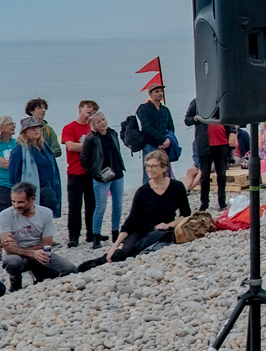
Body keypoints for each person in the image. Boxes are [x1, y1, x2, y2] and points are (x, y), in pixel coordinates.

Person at [88, 151, 193, 267]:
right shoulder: (142, 191)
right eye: (147, 166)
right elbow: (131, 221)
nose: (149, 169)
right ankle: (96, 262)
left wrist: (170, 225)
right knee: (125, 253)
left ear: (164, 168)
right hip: (141, 229)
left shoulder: (177, 187)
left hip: (162, 230)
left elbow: (186, 214)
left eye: (154, 166)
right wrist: (115, 245)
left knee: (150, 248)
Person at [0, 182, 76, 289]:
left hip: (39, 254)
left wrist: (18, 248)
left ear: (32, 199)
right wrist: (32, 252)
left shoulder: (45, 213)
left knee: (70, 269)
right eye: (13, 201)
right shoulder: (5, 215)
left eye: (21, 202)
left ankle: (40, 276)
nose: (16, 205)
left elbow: (47, 244)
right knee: (13, 261)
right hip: (18, 256)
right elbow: (8, 249)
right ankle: (15, 286)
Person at [80, 111, 125, 247]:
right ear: (94, 125)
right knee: (100, 207)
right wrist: (93, 172)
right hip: (101, 177)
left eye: (103, 120)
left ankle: (115, 231)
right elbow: (84, 158)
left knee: (118, 206)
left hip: (117, 173)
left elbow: (117, 151)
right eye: (99, 122)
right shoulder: (91, 138)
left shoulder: (112, 133)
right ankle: (96, 235)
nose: (103, 123)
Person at [184, 97, 235, 212]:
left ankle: (222, 202)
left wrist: (232, 132)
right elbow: (187, 120)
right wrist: (196, 118)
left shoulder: (222, 101)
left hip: (222, 143)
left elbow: (229, 118)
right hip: (204, 143)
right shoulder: (197, 102)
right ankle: (204, 203)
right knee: (204, 175)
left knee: (221, 174)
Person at [8, 116, 63, 221]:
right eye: (31, 128)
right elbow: (14, 176)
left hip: (48, 188)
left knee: (47, 218)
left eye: (37, 127)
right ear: (24, 132)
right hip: (31, 191)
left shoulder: (44, 146)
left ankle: (46, 237)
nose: (36, 130)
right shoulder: (19, 150)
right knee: (33, 219)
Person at [60, 100, 98, 248]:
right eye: (88, 107)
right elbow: (71, 146)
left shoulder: (93, 128)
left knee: (92, 205)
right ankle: (74, 236)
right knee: (74, 206)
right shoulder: (69, 128)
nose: (90, 110)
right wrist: (89, 146)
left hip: (92, 172)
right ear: (80, 108)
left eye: (93, 109)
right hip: (75, 172)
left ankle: (92, 233)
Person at [136, 83, 176, 168]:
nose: (160, 93)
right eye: (156, 91)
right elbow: (147, 127)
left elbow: (171, 127)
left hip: (165, 146)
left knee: (165, 172)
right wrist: (163, 139)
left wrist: (168, 140)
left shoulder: (165, 110)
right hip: (151, 145)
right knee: (151, 172)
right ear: (150, 94)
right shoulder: (144, 108)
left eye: (161, 91)